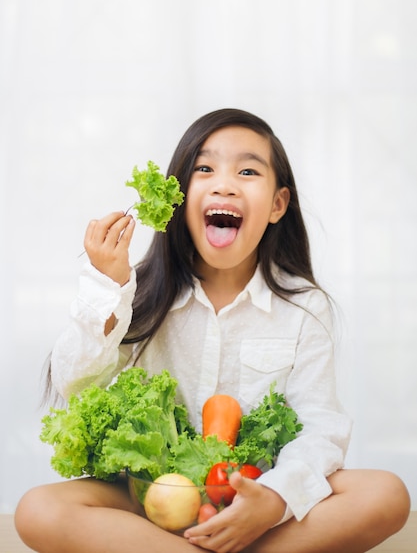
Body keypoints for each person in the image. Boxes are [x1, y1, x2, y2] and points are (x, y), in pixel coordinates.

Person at [15, 109, 410, 553]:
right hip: (152, 494)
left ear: (278, 205)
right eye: (204, 169)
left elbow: (321, 427)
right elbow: (77, 386)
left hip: (253, 496)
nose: (224, 183)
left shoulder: (303, 306)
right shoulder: (139, 293)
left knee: (385, 494)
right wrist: (108, 287)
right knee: (37, 509)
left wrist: (275, 500)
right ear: (180, 199)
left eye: (246, 170)